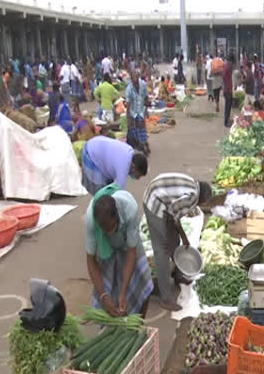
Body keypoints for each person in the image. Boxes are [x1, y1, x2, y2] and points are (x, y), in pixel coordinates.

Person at [142, 174, 213, 311]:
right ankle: (166, 299)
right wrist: (182, 233)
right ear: (202, 198)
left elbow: (173, 214)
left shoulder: (194, 184)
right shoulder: (192, 198)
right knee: (162, 249)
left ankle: (177, 274)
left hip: (161, 199)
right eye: (204, 202)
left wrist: (181, 236)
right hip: (154, 203)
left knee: (174, 239)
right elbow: (174, 213)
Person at [85, 185, 155, 318]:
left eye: (112, 228)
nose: (109, 233)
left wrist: (123, 292)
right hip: (106, 248)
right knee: (107, 289)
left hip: (127, 244)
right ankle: (110, 329)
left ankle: (138, 324)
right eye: (105, 230)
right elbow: (91, 260)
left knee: (144, 282)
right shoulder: (91, 220)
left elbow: (131, 252)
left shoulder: (130, 209)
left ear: (117, 214)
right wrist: (103, 296)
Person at [81, 135, 149, 195]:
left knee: (109, 188)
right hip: (91, 152)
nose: (138, 178)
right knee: (100, 192)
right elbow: (120, 193)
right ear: (134, 167)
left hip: (98, 144)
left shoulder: (131, 154)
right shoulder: (123, 167)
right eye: (139, 175)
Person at [125, 69, 149, 149]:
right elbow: (128, 105)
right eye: (133, 78)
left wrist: (147, 110)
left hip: (141, 110)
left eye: (136, 77)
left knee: (142, 128)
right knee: (133, 128)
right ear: (131, 79)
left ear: (138, 77)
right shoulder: (129, 89)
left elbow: (146, 97)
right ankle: (139, 144)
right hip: (133, 111)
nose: (135, 81)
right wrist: (127, 119)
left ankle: (144, 143)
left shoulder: (143, 84)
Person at [223, 54, 235, 127]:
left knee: (228, 106)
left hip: (228, 89)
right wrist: (227, 85)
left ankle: (227, 120)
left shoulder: (227, 67)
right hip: (227, 90)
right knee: (228, 106)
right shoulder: (228, 67)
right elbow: (224, 76)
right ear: (231, 61)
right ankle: (226, 122)